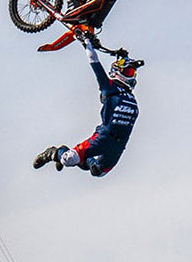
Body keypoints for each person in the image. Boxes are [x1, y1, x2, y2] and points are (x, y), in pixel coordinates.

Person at [33, 33, 141, 177]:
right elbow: (95, 62)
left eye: (132, 72)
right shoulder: (109, 87)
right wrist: (87, 43)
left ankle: (83, 158)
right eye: (128, 71)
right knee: (69, 160)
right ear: (117, 72)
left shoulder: (130, 97)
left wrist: (121, 56)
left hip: (119, 144)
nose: (131, 75)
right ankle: (55, 153)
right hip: (103, 137)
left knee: (98, 172)